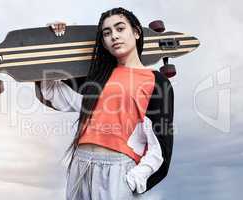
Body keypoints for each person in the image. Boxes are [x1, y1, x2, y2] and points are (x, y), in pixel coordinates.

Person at [35, 7, 174, 200]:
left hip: (118, 171)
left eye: (120, 29)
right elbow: (53, 92)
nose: (114, 36)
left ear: (136, 32)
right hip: (80, 165)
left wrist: (132, 181)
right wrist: (56, 40)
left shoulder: (156, 81)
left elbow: (160, 147)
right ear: (104, 43)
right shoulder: (97, 77)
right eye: (107, 33)